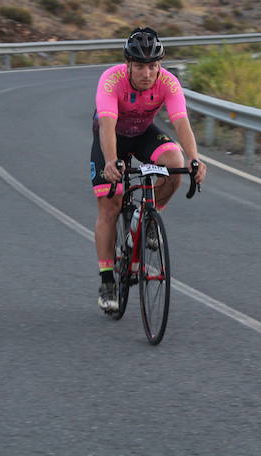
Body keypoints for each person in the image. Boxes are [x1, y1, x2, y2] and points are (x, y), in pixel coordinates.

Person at [90, 27, 207, 312]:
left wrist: (195, 159)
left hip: (143, 134)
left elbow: (181, 123)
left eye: (153, 66)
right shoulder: (111, 80)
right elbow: (106, 124)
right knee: (110, 206)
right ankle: (107, 280)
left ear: (160, 65)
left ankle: (148, 217)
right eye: (140, 66)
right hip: (111, 137)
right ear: (128, 64)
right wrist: (110, 160)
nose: (146, 73)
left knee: (175, 165)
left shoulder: (168, 83)